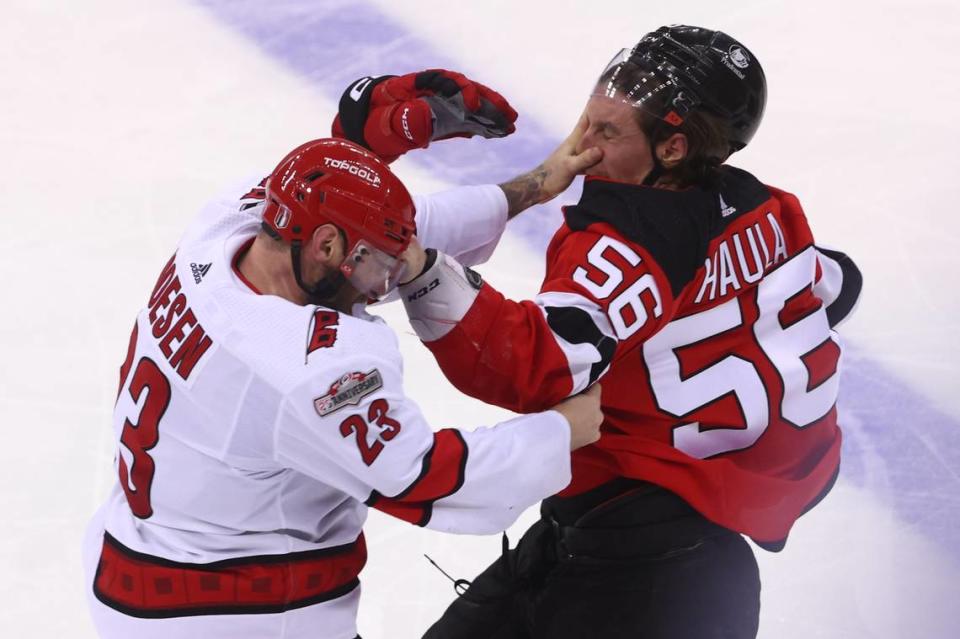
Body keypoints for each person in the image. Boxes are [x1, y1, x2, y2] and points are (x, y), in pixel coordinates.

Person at [336, 25, 863, 638]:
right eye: (589, 117)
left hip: (640, 577)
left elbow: (529, 364)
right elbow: (835, 283)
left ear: (670, 149)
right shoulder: (768, 211)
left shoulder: (626, 246)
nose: (581, 143)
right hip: (678, 562)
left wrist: (417, 267)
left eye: (607, 131)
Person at [82, 70, 607, 639]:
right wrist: (562, 429)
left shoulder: (228, 225)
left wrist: (534, 185)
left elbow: (371, 223)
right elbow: (426, 478)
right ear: (328, 246)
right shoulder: (307, 366)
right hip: (233, 615)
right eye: (374, 268)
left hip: (141, 565)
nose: (383, 287)